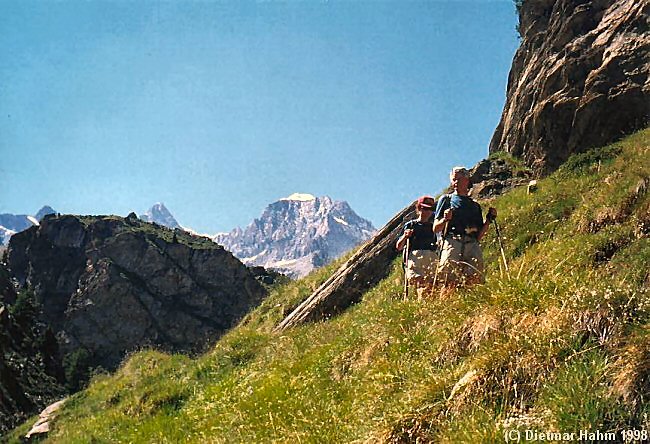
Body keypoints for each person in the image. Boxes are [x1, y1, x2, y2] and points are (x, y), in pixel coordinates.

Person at [433, 167, 497, 287]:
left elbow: (478, 236)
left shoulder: (475, 206)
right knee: (448, 281)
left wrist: (488, 221)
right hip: (452, 241)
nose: (455, 182)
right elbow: (436, 228)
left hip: (472, 244)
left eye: (458, 179)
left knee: (474, 279)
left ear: (467, 180)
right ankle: (446, 303)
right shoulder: (446, 199)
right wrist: (445, 219)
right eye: (453, 180)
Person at [396, 195, 438, 298]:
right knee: (420, 282)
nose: (428, 212)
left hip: (430, 257)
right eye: (425, 208)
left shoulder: (433, 227)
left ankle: (423, 304)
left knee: (430, 285)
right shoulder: (411, 225)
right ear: (418, 209)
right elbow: (399, 246)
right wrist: (405, 236)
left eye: (430, 209)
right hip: (416, 258)